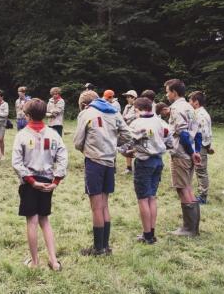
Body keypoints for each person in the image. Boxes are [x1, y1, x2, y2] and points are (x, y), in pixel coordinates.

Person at [12, 98, 67, 271]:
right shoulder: (53, 134)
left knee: (32, 221)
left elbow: (16, 162)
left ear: (27, 115)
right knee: (45, 220)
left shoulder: (21, 135)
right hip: (47, 182)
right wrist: (56, 180)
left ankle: (35, 262)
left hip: (30, 183)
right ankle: (54, 260)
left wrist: (31, 181)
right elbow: (63, 157)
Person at [73, 91, 131, 256]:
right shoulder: (114, 111)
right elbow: (127, 135)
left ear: (84, 104)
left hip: (94, 162)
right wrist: (113, 143)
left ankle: (98, 249)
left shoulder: (86, 113)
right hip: (110, 162)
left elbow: (77, 142)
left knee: (96, 207)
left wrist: (89, 147)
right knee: (105, 205)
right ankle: (105, 246)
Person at [120, 97, 172, 245]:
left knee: (143, 198)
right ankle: (152, 233)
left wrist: (126, 152)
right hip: (158, 161)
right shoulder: (160, 122)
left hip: (144, 162)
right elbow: (169, 140)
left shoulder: (136, 123)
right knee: (152, 197)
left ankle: (147, 235)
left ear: (137, 109)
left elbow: (128, 142)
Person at [165, 79, 202, 237]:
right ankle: (193, 227)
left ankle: (189, 229)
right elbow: (198, 132)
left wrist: (191, 151)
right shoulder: (190, 107)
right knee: (188, 187)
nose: (166, 95)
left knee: (182, 188)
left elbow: (183, 133)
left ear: (174, 92)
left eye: (167, 91)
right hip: (190, 152)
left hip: (181, 153)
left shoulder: (177, 108)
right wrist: (197, 150)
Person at [189, 91, 213, 204]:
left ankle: (202, 196)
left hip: (200, 146)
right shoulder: (197, 113)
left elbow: (205, 133)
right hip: (197, 146)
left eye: (190, 101)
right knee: (197, 170)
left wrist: (206, 147)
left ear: (196, 102)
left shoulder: (201, 115)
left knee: (201, 170)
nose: (189, 103)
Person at [121, 90, 138, 174]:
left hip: (135, 130)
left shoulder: (137, 106)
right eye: (126, 97)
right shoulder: (127, 106)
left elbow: (129, 117)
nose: (127, 98)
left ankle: (136, 167)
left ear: (134, 97)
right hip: (127, 130)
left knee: (136, 149)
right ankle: (129, 168)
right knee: (127, 148)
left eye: (128, 97)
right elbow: (123, 117)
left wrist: (124, 119)